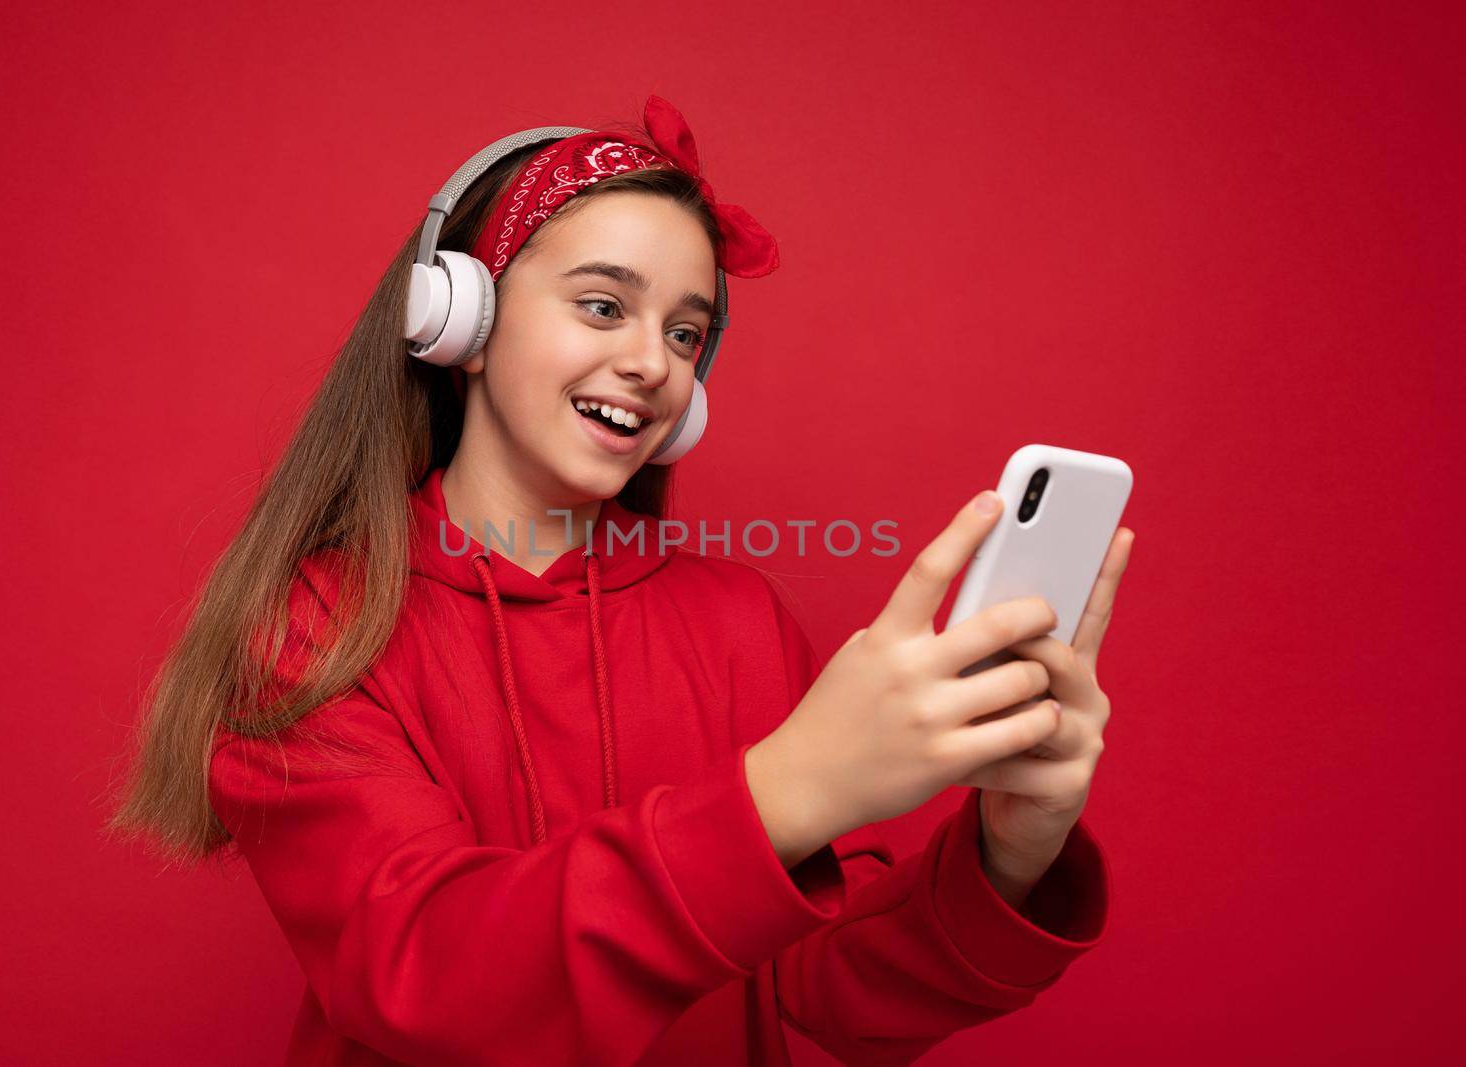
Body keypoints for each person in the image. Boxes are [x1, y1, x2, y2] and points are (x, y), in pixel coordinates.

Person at [106, 94, 1134, 1066]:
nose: (653, 361)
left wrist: (1011, 849)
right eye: (604, 306)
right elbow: (420, 968)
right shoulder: (317, 625)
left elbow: (826, 993)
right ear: (457, 319)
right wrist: (783, 792)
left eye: (685, 333)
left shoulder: (738, 621)